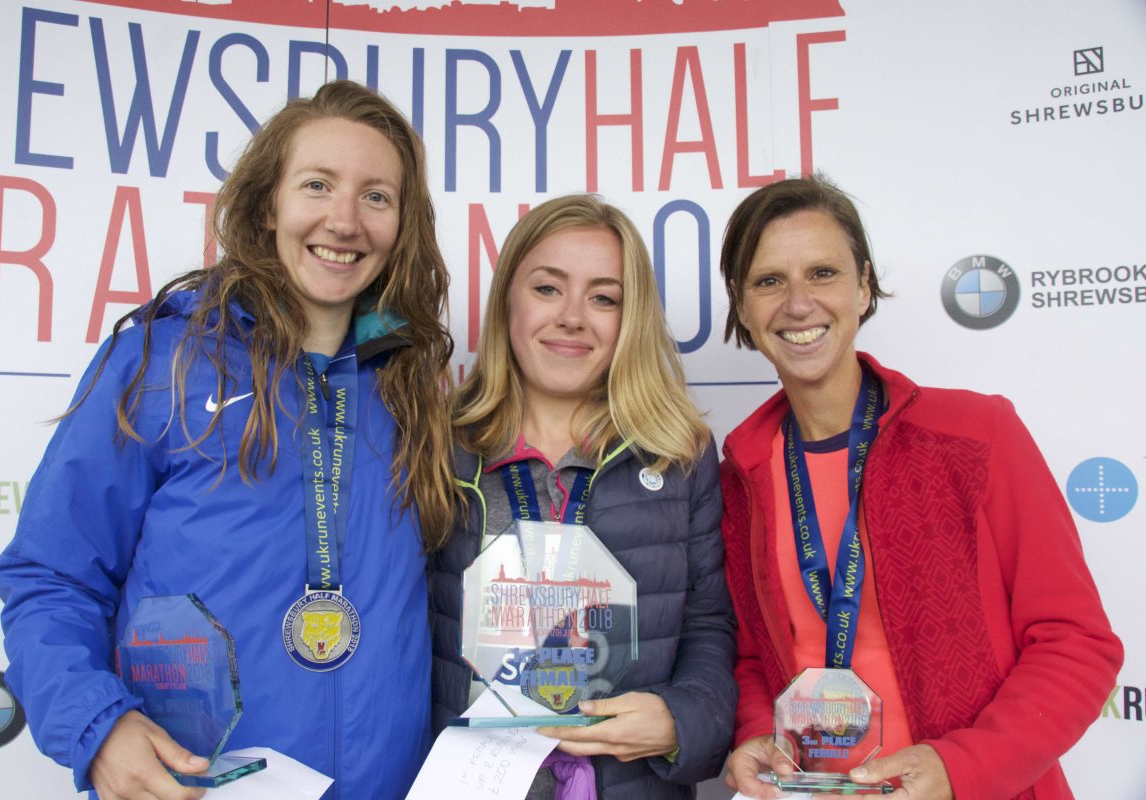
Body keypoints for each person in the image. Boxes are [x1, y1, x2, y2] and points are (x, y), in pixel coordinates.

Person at [0, 80, 457, 800]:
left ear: (402, 223)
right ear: (269, 204)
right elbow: (52, 577)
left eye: (376, 196)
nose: (344, 221)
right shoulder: (163, 361)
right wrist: (98, 728)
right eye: (317, 185)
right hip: (197, 788)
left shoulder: (411, 386)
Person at [716, 175, 1123, 800]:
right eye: (769, 281)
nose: (798, 303)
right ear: (743, 307)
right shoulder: (742, 471)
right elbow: (751, 661)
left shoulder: (975, 435)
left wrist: (961, 768)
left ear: (865, 287)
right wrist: (752, 735)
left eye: (822, 273)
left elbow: (1076, 643)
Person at [429, 194, 737, 800]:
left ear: (631, 318)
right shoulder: (437, 448)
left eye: (604, 297)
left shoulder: (681, 455)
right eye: (548, 289)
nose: (573, 317)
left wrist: (681, 717)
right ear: (508, 302)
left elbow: (709, 625)